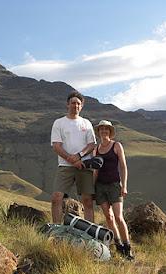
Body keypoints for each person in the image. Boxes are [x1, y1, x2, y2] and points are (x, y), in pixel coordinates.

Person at [50, 91, 96, 223]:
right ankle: (57, 229)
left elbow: (92, 144)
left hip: (84, 165)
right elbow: (56, 146)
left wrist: (79, 156)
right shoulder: (59, 123)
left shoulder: (86, 123)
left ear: (81, 106)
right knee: (57, 197)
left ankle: (90, 232)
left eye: (78, 103)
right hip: (65, 166)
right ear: (67, 104)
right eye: (73, 103)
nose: (75, 106)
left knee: (87, 200)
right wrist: (71, 159)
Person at [93, 120, 134, 260]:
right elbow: (95, 171)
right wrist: (93, 187)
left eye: (106, 129)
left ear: (110, 131)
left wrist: (124, 185)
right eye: (101, 129)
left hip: (114, 185)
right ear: (98, 132)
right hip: (100, 186)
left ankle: (128, 247)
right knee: (109, 218)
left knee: (118, 217)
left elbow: (123, 166)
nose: (104, 131)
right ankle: (118, 245)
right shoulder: (96, 149)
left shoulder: (116, 146)